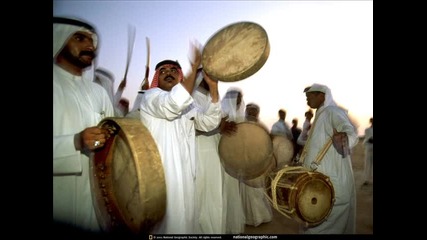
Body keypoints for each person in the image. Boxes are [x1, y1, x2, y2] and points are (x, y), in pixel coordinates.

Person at [138, 45, 222, 234]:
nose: (169, 73)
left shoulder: (188, 104)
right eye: (164, 71)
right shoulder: (152, 97)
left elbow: (209, 122)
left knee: (186, 220)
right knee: (165, 225)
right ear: (156, 78)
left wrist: (214, 89)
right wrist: (195, 68)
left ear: (180, 76)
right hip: (162, 176)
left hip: (186, 174)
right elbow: (172, 105)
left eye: (174, 70)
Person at [53, 16, 115, 233]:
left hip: (97, 198)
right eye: (79, 38)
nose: (90, 46)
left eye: (91, 41)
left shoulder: (98, 92)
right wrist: (76, 141)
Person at [298, 83, 358, 234]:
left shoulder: (332, 111)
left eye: (309, 96)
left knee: (327, 222)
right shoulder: (320, 115)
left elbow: (350, 132)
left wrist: (344, 138)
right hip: (320, 181)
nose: (307, 99)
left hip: (332, 180)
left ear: (322, 96)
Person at [192, 69, 226, 234]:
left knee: (212, 196)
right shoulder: (191, 96)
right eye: (207, 76)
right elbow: (200, 125)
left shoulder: (211, 97)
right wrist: (219, 125)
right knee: (197, 194)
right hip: (197, 149)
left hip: (212, 150)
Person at [240, 103, 273, 227]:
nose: (251, 114)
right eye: (249, 111)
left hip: (258, 163)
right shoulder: (242, 125)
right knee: (246, 191)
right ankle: (248, 217)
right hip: (244, 162)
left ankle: (259, 217)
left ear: (257, 113)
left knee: (257, 190)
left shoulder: (262, 127)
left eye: (253, 112)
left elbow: (267, 144)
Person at [219, 87, 247, 234]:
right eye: (237, 97)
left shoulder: (239, 113)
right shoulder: (222, 111)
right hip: (223, 155)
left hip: (236, 156)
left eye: (241, 97)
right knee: (224, 187)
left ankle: (231, 224)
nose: (239, 100)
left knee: (234, 188)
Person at [362, 117, 373, 185]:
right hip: (369, 148)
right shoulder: (367, 130)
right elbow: (367, 139)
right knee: (367, 164)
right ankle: (366, 179)